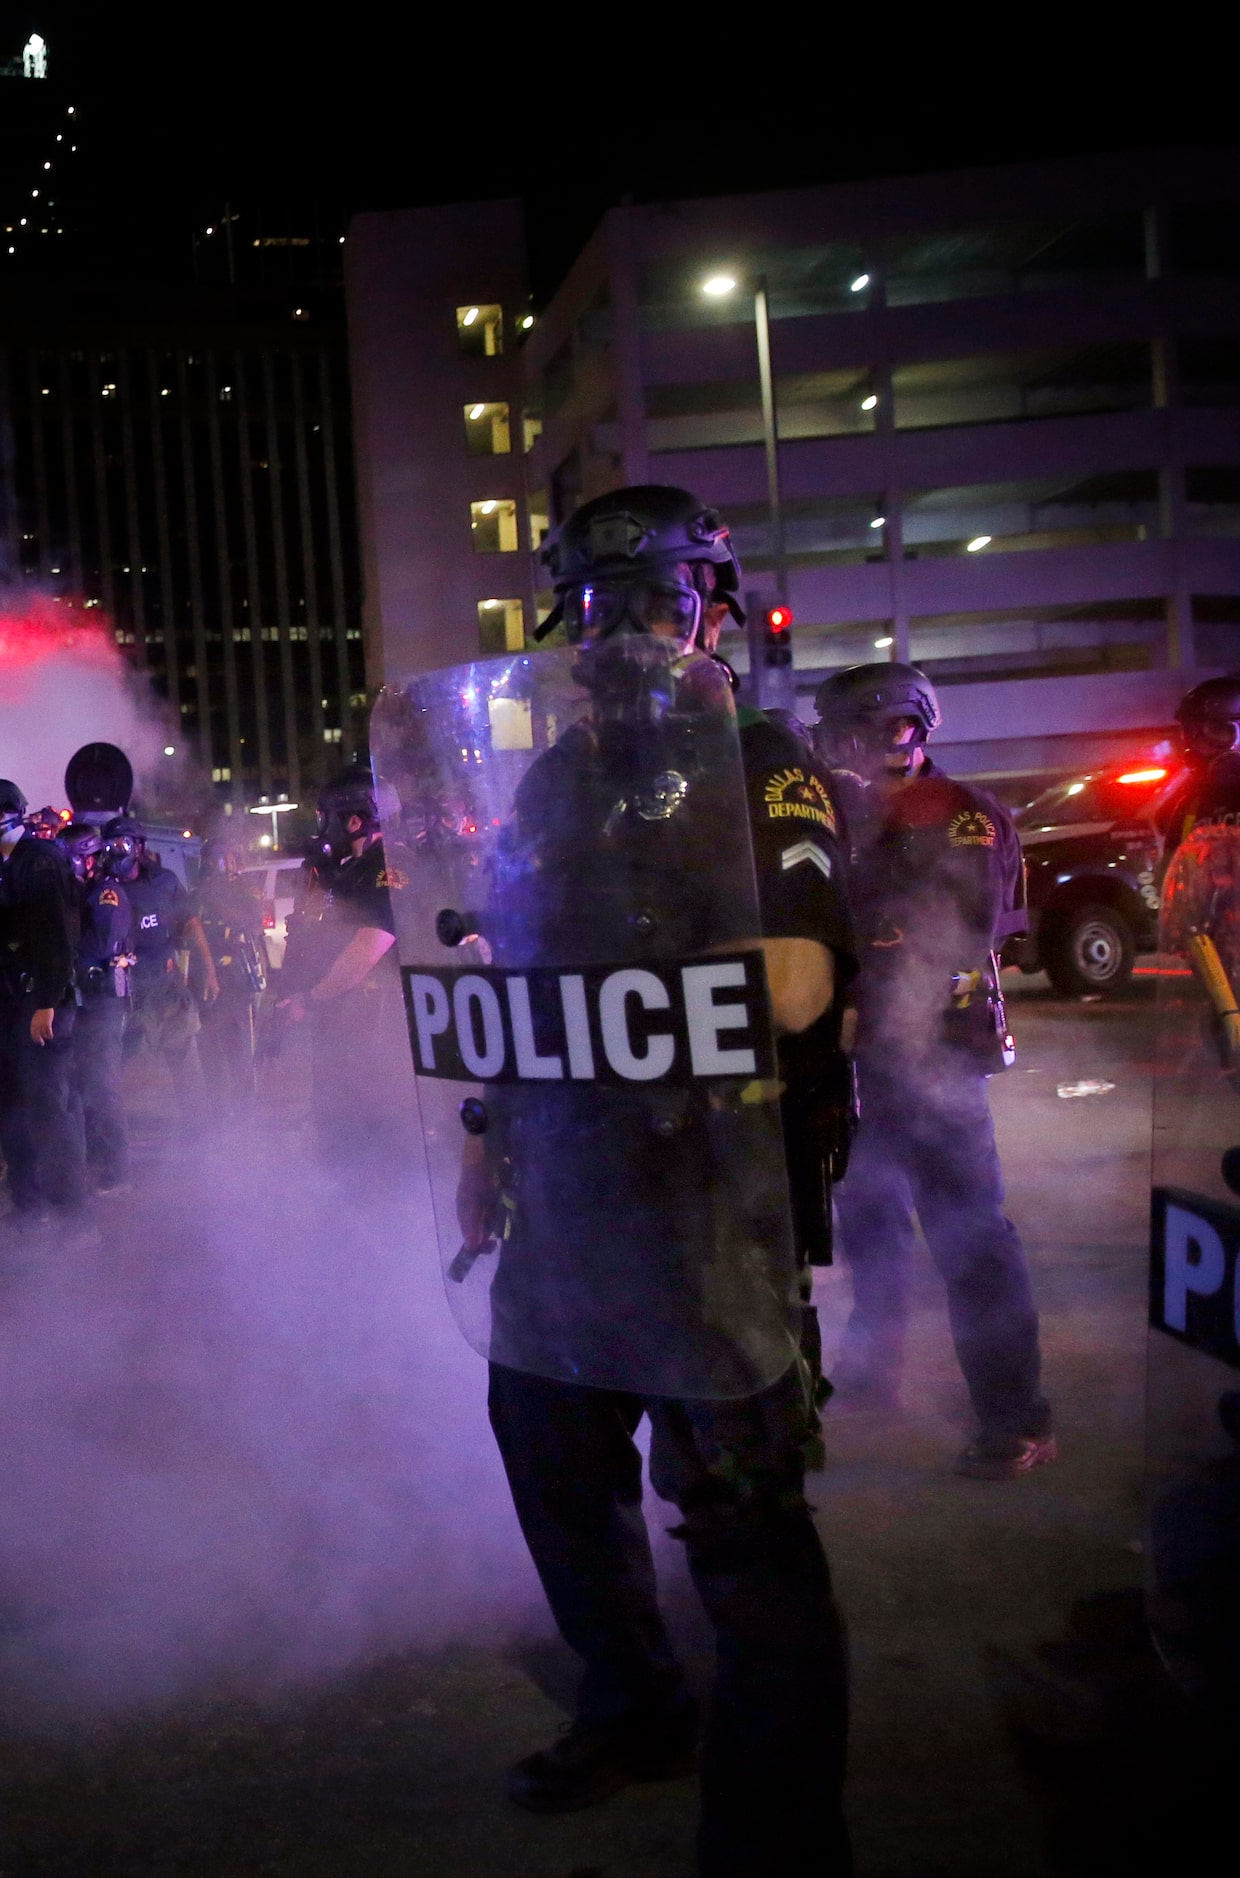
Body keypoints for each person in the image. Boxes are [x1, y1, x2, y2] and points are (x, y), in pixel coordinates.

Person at [426, 486, 859, 1871]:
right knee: (550, 1454)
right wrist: (485, 1146)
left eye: (655, 602)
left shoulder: (765, 762)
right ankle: (635, 1703)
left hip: (714, 1200)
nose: (627, 635)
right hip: (570, 1184)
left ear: (711, 606)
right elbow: (515, 970)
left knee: (744, 1529)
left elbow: (796, 986)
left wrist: (647, 998)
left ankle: (778, 1834)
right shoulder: (555, 783)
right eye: (602, 608)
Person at [811, 662, 1053, 1478]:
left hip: (938, 1058)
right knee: (870, 1220)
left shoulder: (964, 818)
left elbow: (955, 932)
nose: (864, 752)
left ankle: (1016, 1417)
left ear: (915, 728)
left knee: (970, 1235)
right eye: (846, 736)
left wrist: (859, 988)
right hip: (858, 1061)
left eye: (882, 730)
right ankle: (875, 1372)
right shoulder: (840, 816)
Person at [0, 778, 86, 1219]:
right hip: (3, 1002)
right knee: (11, 1106)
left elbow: (56, 936)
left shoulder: (41, 861)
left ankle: (73, 1217)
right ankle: (27, 1207)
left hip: (35, 1000)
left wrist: (46, 1001)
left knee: (48, 1109)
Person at [269, 761, 403, 1143]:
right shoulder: (351, 870)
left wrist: (311, 999)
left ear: (356, 821)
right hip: (348, 1025)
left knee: (371, 1135)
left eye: (328, 818)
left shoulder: (388, 866)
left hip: (379, 1028)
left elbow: (369, 946)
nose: (323, 828)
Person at [66, 819, 141, 1193]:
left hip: (104, 1002)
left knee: (103, 1087)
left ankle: (118, 1170)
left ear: (88, 860)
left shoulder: (105, 895)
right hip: (88, 1002)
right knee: (85, 1084)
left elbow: (100, 948)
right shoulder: (85, 893)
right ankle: (96, 1160)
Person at [121, 831, 212, 1118]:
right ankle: (104, 1137)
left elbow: (191, 922)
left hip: (166, 987)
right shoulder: (104, 886)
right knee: (111, 1068)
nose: (117, 851)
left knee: (185, 1062)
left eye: (123, 843)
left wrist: (209, 970)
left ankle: (199, 1135)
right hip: (126, 992)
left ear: (139, 847)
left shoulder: (165, 881)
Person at [191, 840, 267, 1111]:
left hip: (236, 974)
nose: (210, 866)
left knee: (240, 1045)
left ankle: (246, 1109)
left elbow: (249, 920)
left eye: (215, 860)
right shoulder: (199, 891)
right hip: (204, 974)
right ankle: (217, 1109)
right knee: (208, 1045)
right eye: (208, 860)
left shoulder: (246, 889)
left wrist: (217, 899)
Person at [1155, 673, 1240, 859]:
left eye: (1218, 731)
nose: (1197, 745)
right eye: (1189, 732)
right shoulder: (1190, 806)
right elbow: (1171, 875)